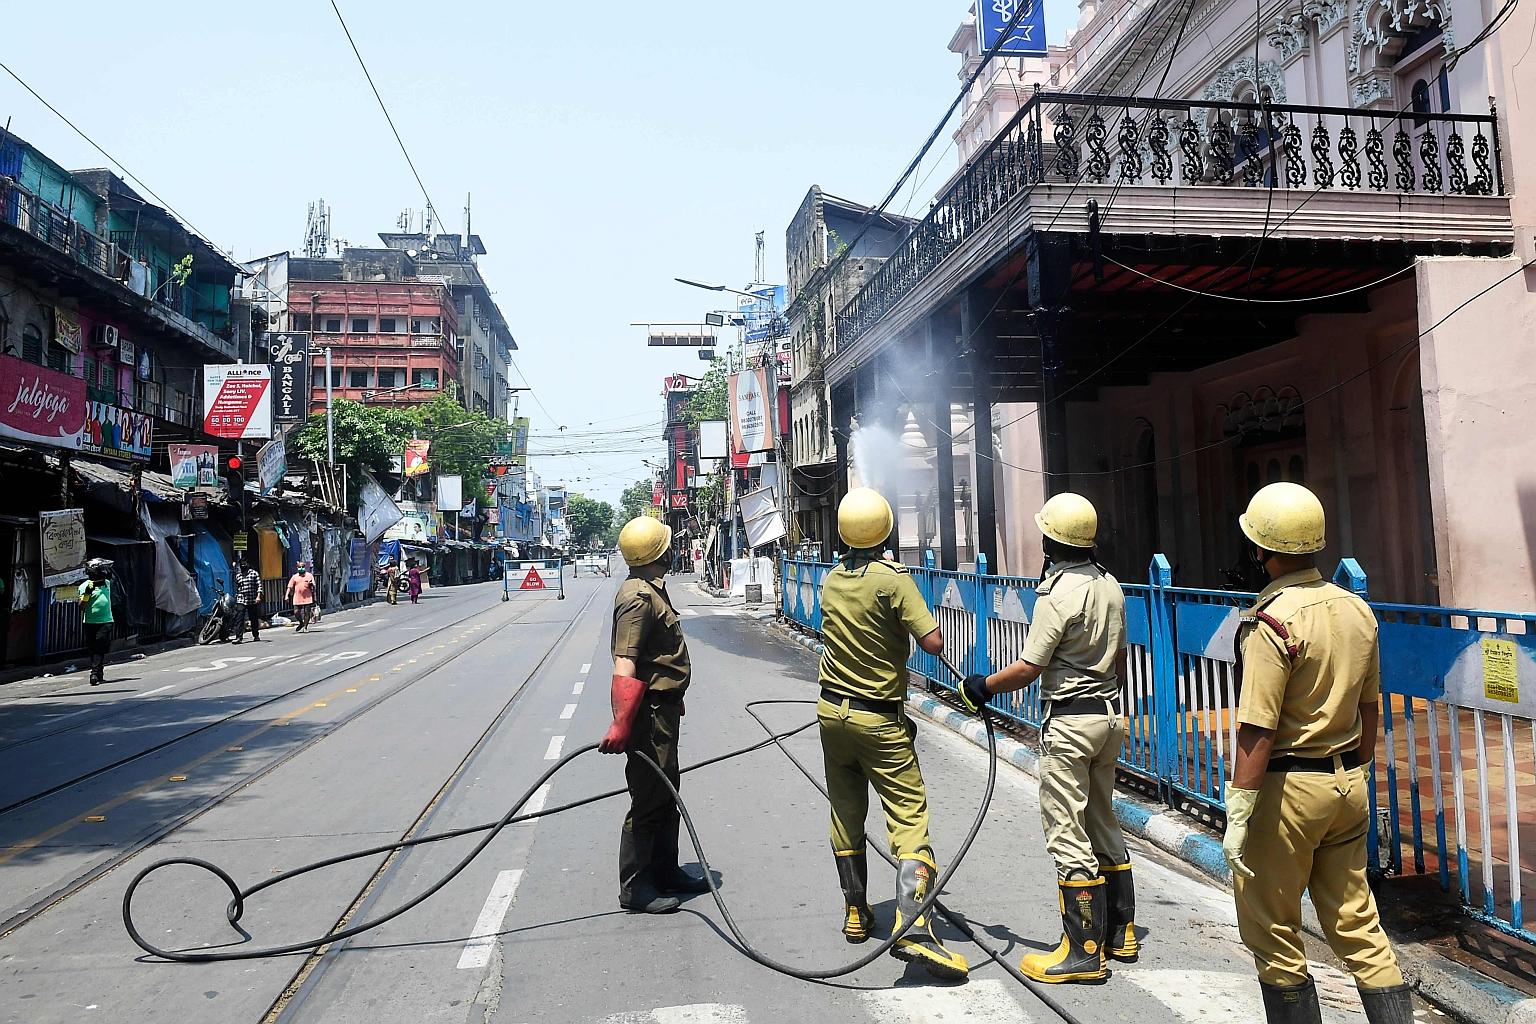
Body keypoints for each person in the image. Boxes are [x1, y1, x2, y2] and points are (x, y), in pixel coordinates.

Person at [1221, 482, 1409, 1024]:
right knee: (1358, 924)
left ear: (1264, 550)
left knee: (1273, 930)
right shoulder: (1357, 612)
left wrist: (1239, 809)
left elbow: (1258, 728)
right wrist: (1358, 771)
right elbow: (1370, 708)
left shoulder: (1271, 622)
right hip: (1347, 783)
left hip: (1288, 795)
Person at [960, 492, 1135, 984]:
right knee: (1102, 818)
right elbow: (1118, 658)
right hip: (1109, 717)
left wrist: (983, 686)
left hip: (1071, 724)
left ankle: (1082, 952)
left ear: (1050, 541)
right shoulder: (1111, 586)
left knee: (1067, 830)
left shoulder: (1057, 595)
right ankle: (1120, 934)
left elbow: (1031, 667)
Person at [817, 487, 969, 981]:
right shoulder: (893, 581)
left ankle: (856, 913)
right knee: (908, 815)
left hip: (831, 714)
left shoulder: (832, 581)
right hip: (879, 718)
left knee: (845, 809)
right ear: (886, 530)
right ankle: (917, 924)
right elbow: (933, 640)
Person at [600, 516, 711, 914]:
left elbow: (654, 659)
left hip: (662, 709)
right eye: (666, 545)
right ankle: (635, 887)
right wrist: (621, 723)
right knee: (648, 797)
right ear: (657, 552)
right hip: (647, 715)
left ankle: (665, 872)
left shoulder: (651, 590)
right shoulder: (638, 598)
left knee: (667, 792)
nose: (671, 548)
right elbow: (625, 662)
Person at [78, 558, 114, 686]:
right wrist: (88, 593)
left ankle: (94, 673)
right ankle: (99, 673)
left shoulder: (107, 583)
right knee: (94, 648)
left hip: (106, 620)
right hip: (90, 621)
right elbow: (81, 607)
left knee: (100, 646)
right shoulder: (84, 586)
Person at [233, 558, 263, 643]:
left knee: (253, 618)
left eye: (244, 563)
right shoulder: (238, 576)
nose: (243, 565)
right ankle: (238, 637)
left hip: (252, 599)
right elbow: (237, 587)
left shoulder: (254, 573)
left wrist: (258, 596)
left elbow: (259, 586)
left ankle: (256, 635)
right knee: (239, 617)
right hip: (241, 599)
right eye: (241, 564)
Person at [286, 561, 317, 631]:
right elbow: (289, 587)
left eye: (302, 567)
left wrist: (311, 585)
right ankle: (301, 623)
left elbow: (314, 586)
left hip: (307, 597)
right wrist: (286, 596)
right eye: (299, 567)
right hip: (297, 597)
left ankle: (305, 627)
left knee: (307, 612)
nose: (301, 568)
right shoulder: (294, 577)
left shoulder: (309, 575)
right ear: (297, 568)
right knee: (296, 612)